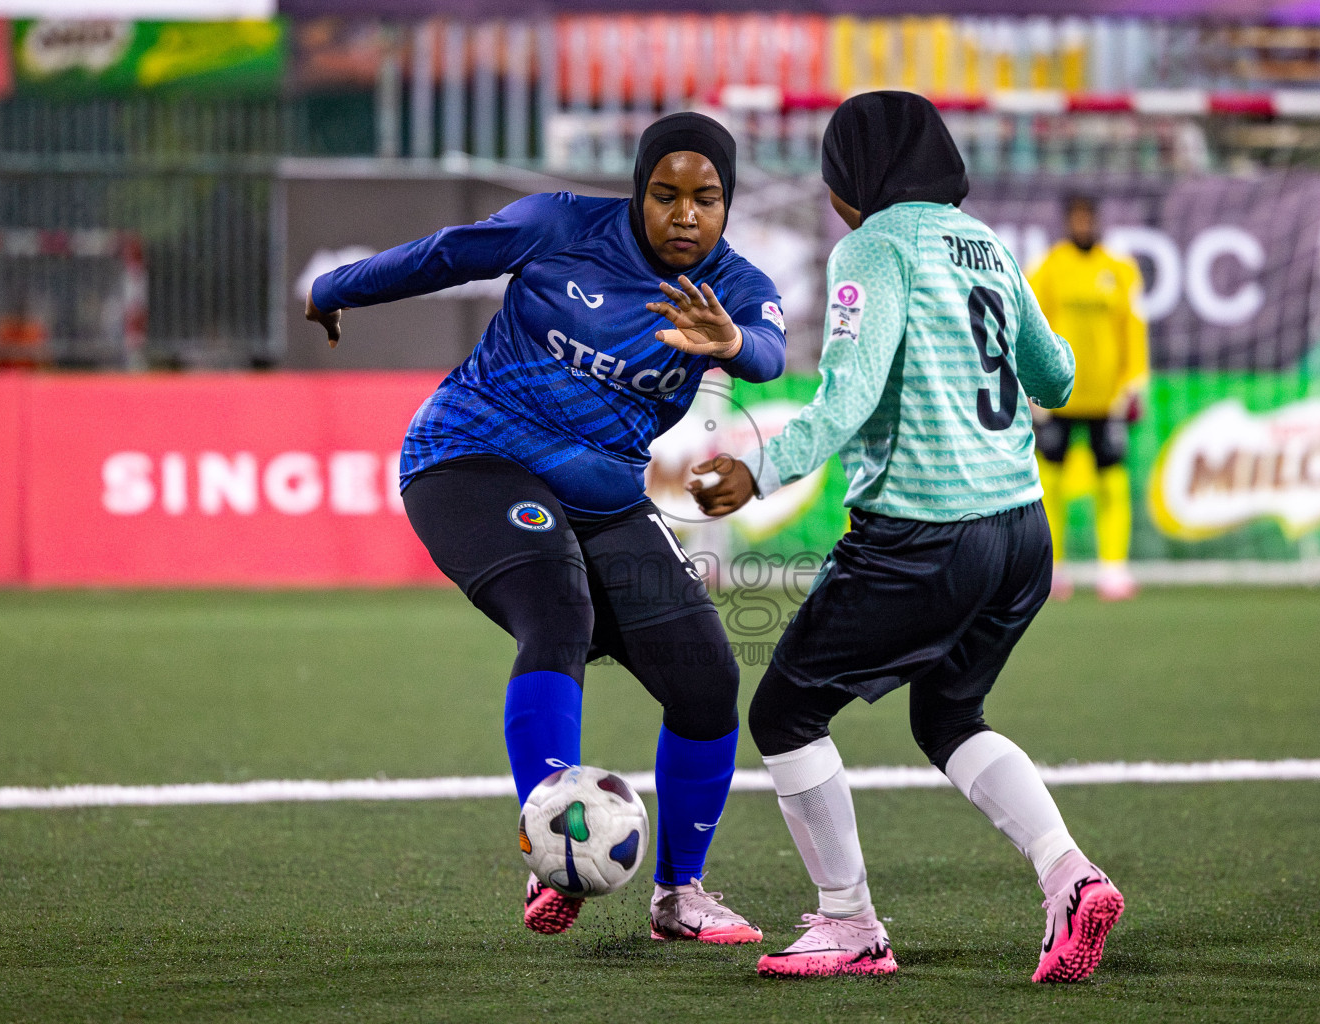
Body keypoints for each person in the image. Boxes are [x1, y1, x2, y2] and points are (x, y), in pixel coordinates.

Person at [305, 113, 786, 943]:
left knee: (707, 679)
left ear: (727, 203)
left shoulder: (733, 289)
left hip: (603, 494)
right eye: (665, 195)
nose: (684, 215)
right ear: (637, 193)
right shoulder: (561, 226)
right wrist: (334, 288)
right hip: (472, 456)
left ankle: (680, 896)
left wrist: (735, 343)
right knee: (559, 612)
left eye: (705, 199)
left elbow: (769, 354)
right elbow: (443, 255)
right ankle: (554, 844)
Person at [690, 92, 1124, 981]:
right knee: (949, 712)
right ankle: (1070, 876)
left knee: (784, 712)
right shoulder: (987, 243)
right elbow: (1058, 374)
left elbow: (844, 401)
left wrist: (760, 469)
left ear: (859, 175)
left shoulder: (873, 246)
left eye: (835, 179)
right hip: (1020, 533)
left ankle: (849, 924)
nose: (833, 199)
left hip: (927, 532)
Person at [1027, 194, 1148, 602]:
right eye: (1076, 218)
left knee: (1112, 484)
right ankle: (1052, 568)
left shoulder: (1119, 270)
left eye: (1088, 218)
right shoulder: (1048, 268)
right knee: (1050, 486)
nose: (1083, 225)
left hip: (1106, 399)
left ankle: (1113, 569)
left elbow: (1133, 329)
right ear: (1067, 221)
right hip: (1057, 396)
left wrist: (1134, 383)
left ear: (1096, 221)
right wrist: (1032, 389)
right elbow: (1030, 329)